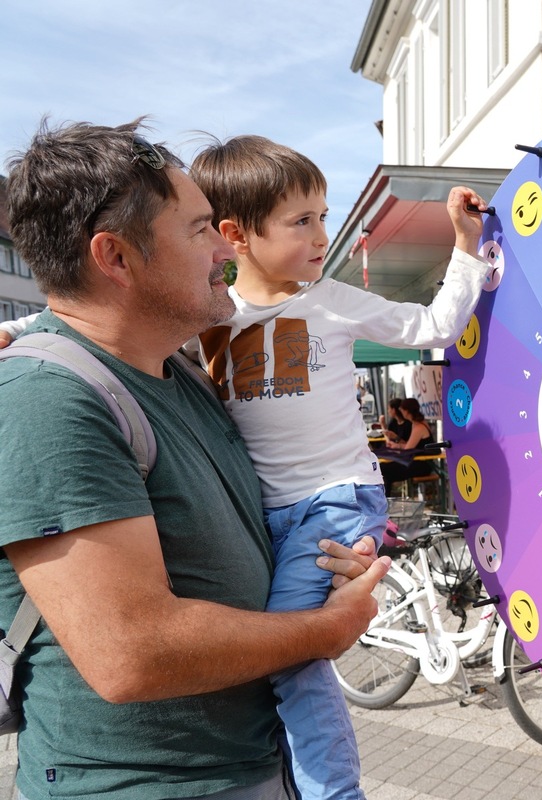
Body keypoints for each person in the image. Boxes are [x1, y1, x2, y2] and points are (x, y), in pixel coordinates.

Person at [0, 119, 389, 800]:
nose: (225, 247)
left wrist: (322, 563)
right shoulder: (47, 399)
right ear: (115, 257)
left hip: (245, 766)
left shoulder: (182, 374)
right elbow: (131, 653)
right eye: (202, 228)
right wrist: (323, 630)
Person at [187, 134, 489, 800]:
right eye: (302, 221)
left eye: (324, 215)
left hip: (332, 503)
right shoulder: (209, 316)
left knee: (293, 657)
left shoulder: (330, 300)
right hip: (260, 517)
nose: (324, 234)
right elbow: (116, 323)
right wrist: (25, 329)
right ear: (236, 234)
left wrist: (464, 247)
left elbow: (433, 326)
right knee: (260, 657)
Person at [377, 398, 436, 495]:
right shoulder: (418, 424)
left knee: (383, 469)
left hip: (421, 465)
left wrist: (396, 446)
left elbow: (408, 448)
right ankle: (384, 501)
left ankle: (384, 502)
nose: (402, 413)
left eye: (402, 410)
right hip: (419, 462)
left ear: (407, 411)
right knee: (385, 472)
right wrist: (397, 445)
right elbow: (410, 446)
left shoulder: (418, 426)